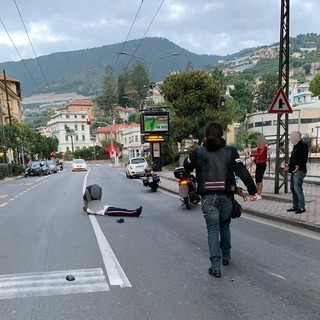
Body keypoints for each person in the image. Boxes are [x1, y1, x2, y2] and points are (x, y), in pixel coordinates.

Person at [183, 122, 258, 278]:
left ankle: (215, 267)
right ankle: (226, 256)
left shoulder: (199, 152)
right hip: (226, 196)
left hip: (207, 197)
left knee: (212, 230)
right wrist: (253, 191)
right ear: (222, 135)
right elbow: (242, 171)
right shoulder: (230, 152)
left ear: (206, 135)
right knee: (225, 226)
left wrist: (194, 156)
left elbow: (186, 165)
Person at [283, 131, 308, 214]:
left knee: (297, 189)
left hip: (299, 171)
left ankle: (301, 207)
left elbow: (304, 158)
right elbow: (294, 159)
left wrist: (298, 166)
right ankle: (295, 206)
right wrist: (289, 166)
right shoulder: (295, 146)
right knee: (293, 188)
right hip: (294, 171)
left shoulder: (303, 145)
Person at [251, 135, 268, 200]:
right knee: (257, 179)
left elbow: (260, 154)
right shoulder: (258, 148)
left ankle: (259, 194)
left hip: (262, 164)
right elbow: (257, 155)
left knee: (259, 179)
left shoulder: (264, 148)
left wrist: (252, 154)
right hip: (258, 164)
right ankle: (257, 193)